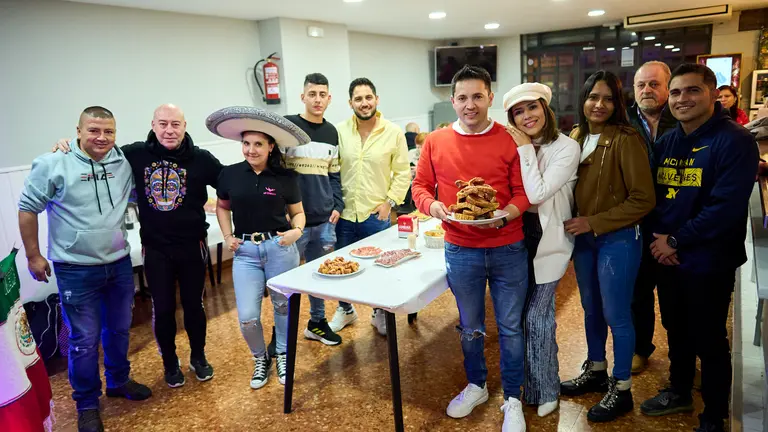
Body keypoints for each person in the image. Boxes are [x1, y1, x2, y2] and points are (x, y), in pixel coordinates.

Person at [52, 104, 221, 388]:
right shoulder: (134, 154)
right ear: (153, 124)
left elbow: (231, 184)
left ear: (184, 125)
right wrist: (68, 144)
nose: (169, 130)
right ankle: (170, 363)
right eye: (163, 123)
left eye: (176, 124)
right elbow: (96, 150)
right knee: (164, 308)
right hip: (155, 248)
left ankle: (199, 357)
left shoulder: (201, 159)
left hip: (193, 246)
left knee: (195, 306)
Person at [640, 64, 758, 432]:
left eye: (691, 91)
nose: (681, 99)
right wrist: (662, 241)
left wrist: (675, 240)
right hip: (669, 257)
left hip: (708, 261)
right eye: (675, 93)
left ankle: (714, 415)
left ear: (712, 93)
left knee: (708, 337)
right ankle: (679, 390)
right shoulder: (669, 141)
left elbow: (725, 207)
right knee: (676, 328)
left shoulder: (735, 140)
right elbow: (653, 198)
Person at [412, 65, 531, 432]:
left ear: (490, 98)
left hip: (508, 246)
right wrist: (435, 208)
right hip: (460, 249)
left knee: (511, 327)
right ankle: (477, 385)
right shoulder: (436, 140)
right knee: (470, 326)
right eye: (462, 98)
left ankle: (513, 398)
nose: (470, 105)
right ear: (452, 101)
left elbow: (523, 192)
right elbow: (419, 188)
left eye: (478, 96)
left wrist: (506, 214)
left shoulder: (511, 139)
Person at [19, 106, 152, 432]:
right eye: (93, 130)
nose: (101, 137)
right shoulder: (53, 163)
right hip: (76, 270)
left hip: (118, 263)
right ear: (78, 131)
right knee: (84, 340)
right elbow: (27, 209)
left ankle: (119, 381)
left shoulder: (122, 161)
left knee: (119, 331)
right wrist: (34, 256)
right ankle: (87, 404)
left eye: (108, 131)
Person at [560, 70, 655, 423]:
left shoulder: (625, 138)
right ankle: (596, 369)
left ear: (618, 103)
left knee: (617, 313)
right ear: (582, 100)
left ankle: (622, 386)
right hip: (584, 240)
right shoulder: (575, 136)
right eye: (592, 97)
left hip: (618, 239)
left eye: (608, 98)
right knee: (591, 309)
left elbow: (643, 199)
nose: (599, 104)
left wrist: (593, 222)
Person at [210, 106, 309, 390]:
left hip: (279, 248)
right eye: (246, 143)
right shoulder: (229, 175)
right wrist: (228, 235)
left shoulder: (285, 178)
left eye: (257, 144)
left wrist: (296, 231)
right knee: (248, 318)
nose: (251, 150)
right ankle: (260, 357)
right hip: (245, 255)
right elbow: (222, 206)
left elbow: (299, 212)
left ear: (270, 146)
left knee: (283, 309)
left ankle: (282, 354)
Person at [503, 82, 580, 418]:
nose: (526, 116)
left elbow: (537, 194)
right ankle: (523, 390)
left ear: (545, 109)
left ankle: (546, 387)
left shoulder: (566, 148)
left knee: (538, 315)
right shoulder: (513, 146)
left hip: (549, 237)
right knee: (520, 316)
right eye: (518, 112)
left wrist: (522, 149)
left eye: (531, 108)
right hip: (517, 235)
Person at [330, 78, 411, 336]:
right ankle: (345, 309)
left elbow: (402, 173)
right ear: (350, 102)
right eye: (358, 99)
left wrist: (389, 203)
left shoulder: (393, 132)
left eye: (368, 98)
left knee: (380, 267)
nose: (364, 103)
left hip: (376, 215)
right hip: (343, 214)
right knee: (342, 266)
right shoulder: (340, 131)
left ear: (376, 99)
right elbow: (331, 170)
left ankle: (379, 313)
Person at [283, 73, 344, 346]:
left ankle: (317, 323)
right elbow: (277, 172)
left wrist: (338, 205)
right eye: (312, 94)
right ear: (303, 97)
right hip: (293, 222)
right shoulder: (289, 128)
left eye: (322, 94)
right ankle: (282, 337)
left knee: (317, 277)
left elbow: (334, 174)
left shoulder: (332, 133)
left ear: (328, 98)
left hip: (323, 219)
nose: (317, 99)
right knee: (286, 282)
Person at [626, 61, 678, 374]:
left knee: (677, 298)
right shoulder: (625, 120)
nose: (647, 90)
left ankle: (684, 355)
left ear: (668, 87)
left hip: (677, 220)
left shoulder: (684, 116)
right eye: (641, 85)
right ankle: (639, 349)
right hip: (638, 223)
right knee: (637, 293)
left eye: (654, 84)